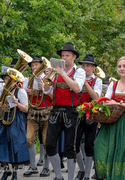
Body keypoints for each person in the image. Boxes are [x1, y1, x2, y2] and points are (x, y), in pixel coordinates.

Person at [44, 42, 86, 180]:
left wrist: (61, 73)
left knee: (70, 147)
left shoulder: (79, 71)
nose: (64, 58)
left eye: (67, 55)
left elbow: (77, 88)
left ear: (74, 57)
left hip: (71, 111)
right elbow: (46, 91)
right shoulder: (55, 72)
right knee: (49, 144)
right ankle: (58, 176)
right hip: (55, 110)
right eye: (63, 55)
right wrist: (47, 78)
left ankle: (70, 178)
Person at [94, 56, 125, 180]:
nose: (122, 68)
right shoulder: (113, 85)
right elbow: (106, 102)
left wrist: (118, 104)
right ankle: (107, 176)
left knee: (122, 154)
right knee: (101, 149)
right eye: (119, 66)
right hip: (110, 122)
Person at [23, 56, 52, 178]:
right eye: (33, 65)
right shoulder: (28, 79)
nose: (34, 67)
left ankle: (46, 168)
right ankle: (33, 167)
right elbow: (23, 97)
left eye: (37, 65)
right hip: (33, 111)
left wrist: (44, 89)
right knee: (29, 139)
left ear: (42, 66)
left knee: (46, 142)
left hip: (46, 111)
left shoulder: (48, 78)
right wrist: (26, 92)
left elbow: (53, 96)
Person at [75, 54, 102, 180]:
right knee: (74, 143)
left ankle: (86, 175)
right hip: (77, 113)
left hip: (91, 114)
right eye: (83, 65)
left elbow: (96, 97)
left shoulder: (97, 80)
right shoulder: (76, 78)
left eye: (87, 66)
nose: (85, 68)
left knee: (89, 144)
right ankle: (81, 169)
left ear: (93, 67)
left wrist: (85, 83)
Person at [0, 70, 29, 180]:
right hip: (4, 118)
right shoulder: (2, 91)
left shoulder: (20, 91)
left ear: (15, 81)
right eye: (6, 79)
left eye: (10, 79)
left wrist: (17, 103)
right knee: (2, 144)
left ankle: (15, 174)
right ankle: (6, 171)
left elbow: (26, 109)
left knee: (16, 145)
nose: (7, 81)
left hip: (16, 119)